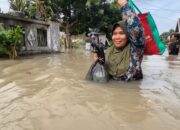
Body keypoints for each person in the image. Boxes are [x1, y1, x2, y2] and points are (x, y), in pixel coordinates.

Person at [92, 0, 145, 81]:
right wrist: (97, 59)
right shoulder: (108, 51)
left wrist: (124, 4)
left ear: (128, 35)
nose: (117, 37)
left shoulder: (135, 50)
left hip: (130, 91)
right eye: (114, 33)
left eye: (121, 33)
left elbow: (136, 30)